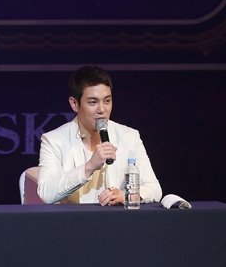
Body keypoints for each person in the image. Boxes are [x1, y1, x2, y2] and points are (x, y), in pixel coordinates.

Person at [37, 65, 162, 206]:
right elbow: (46, 193)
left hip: (118, 219)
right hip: (73, 219)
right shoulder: (54, 140)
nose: (102, 110)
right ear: (74, 104)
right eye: (93, 102)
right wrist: (89, 166)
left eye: (107, 101)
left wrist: (127, 196)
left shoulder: (129, 137)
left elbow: (154, 188)